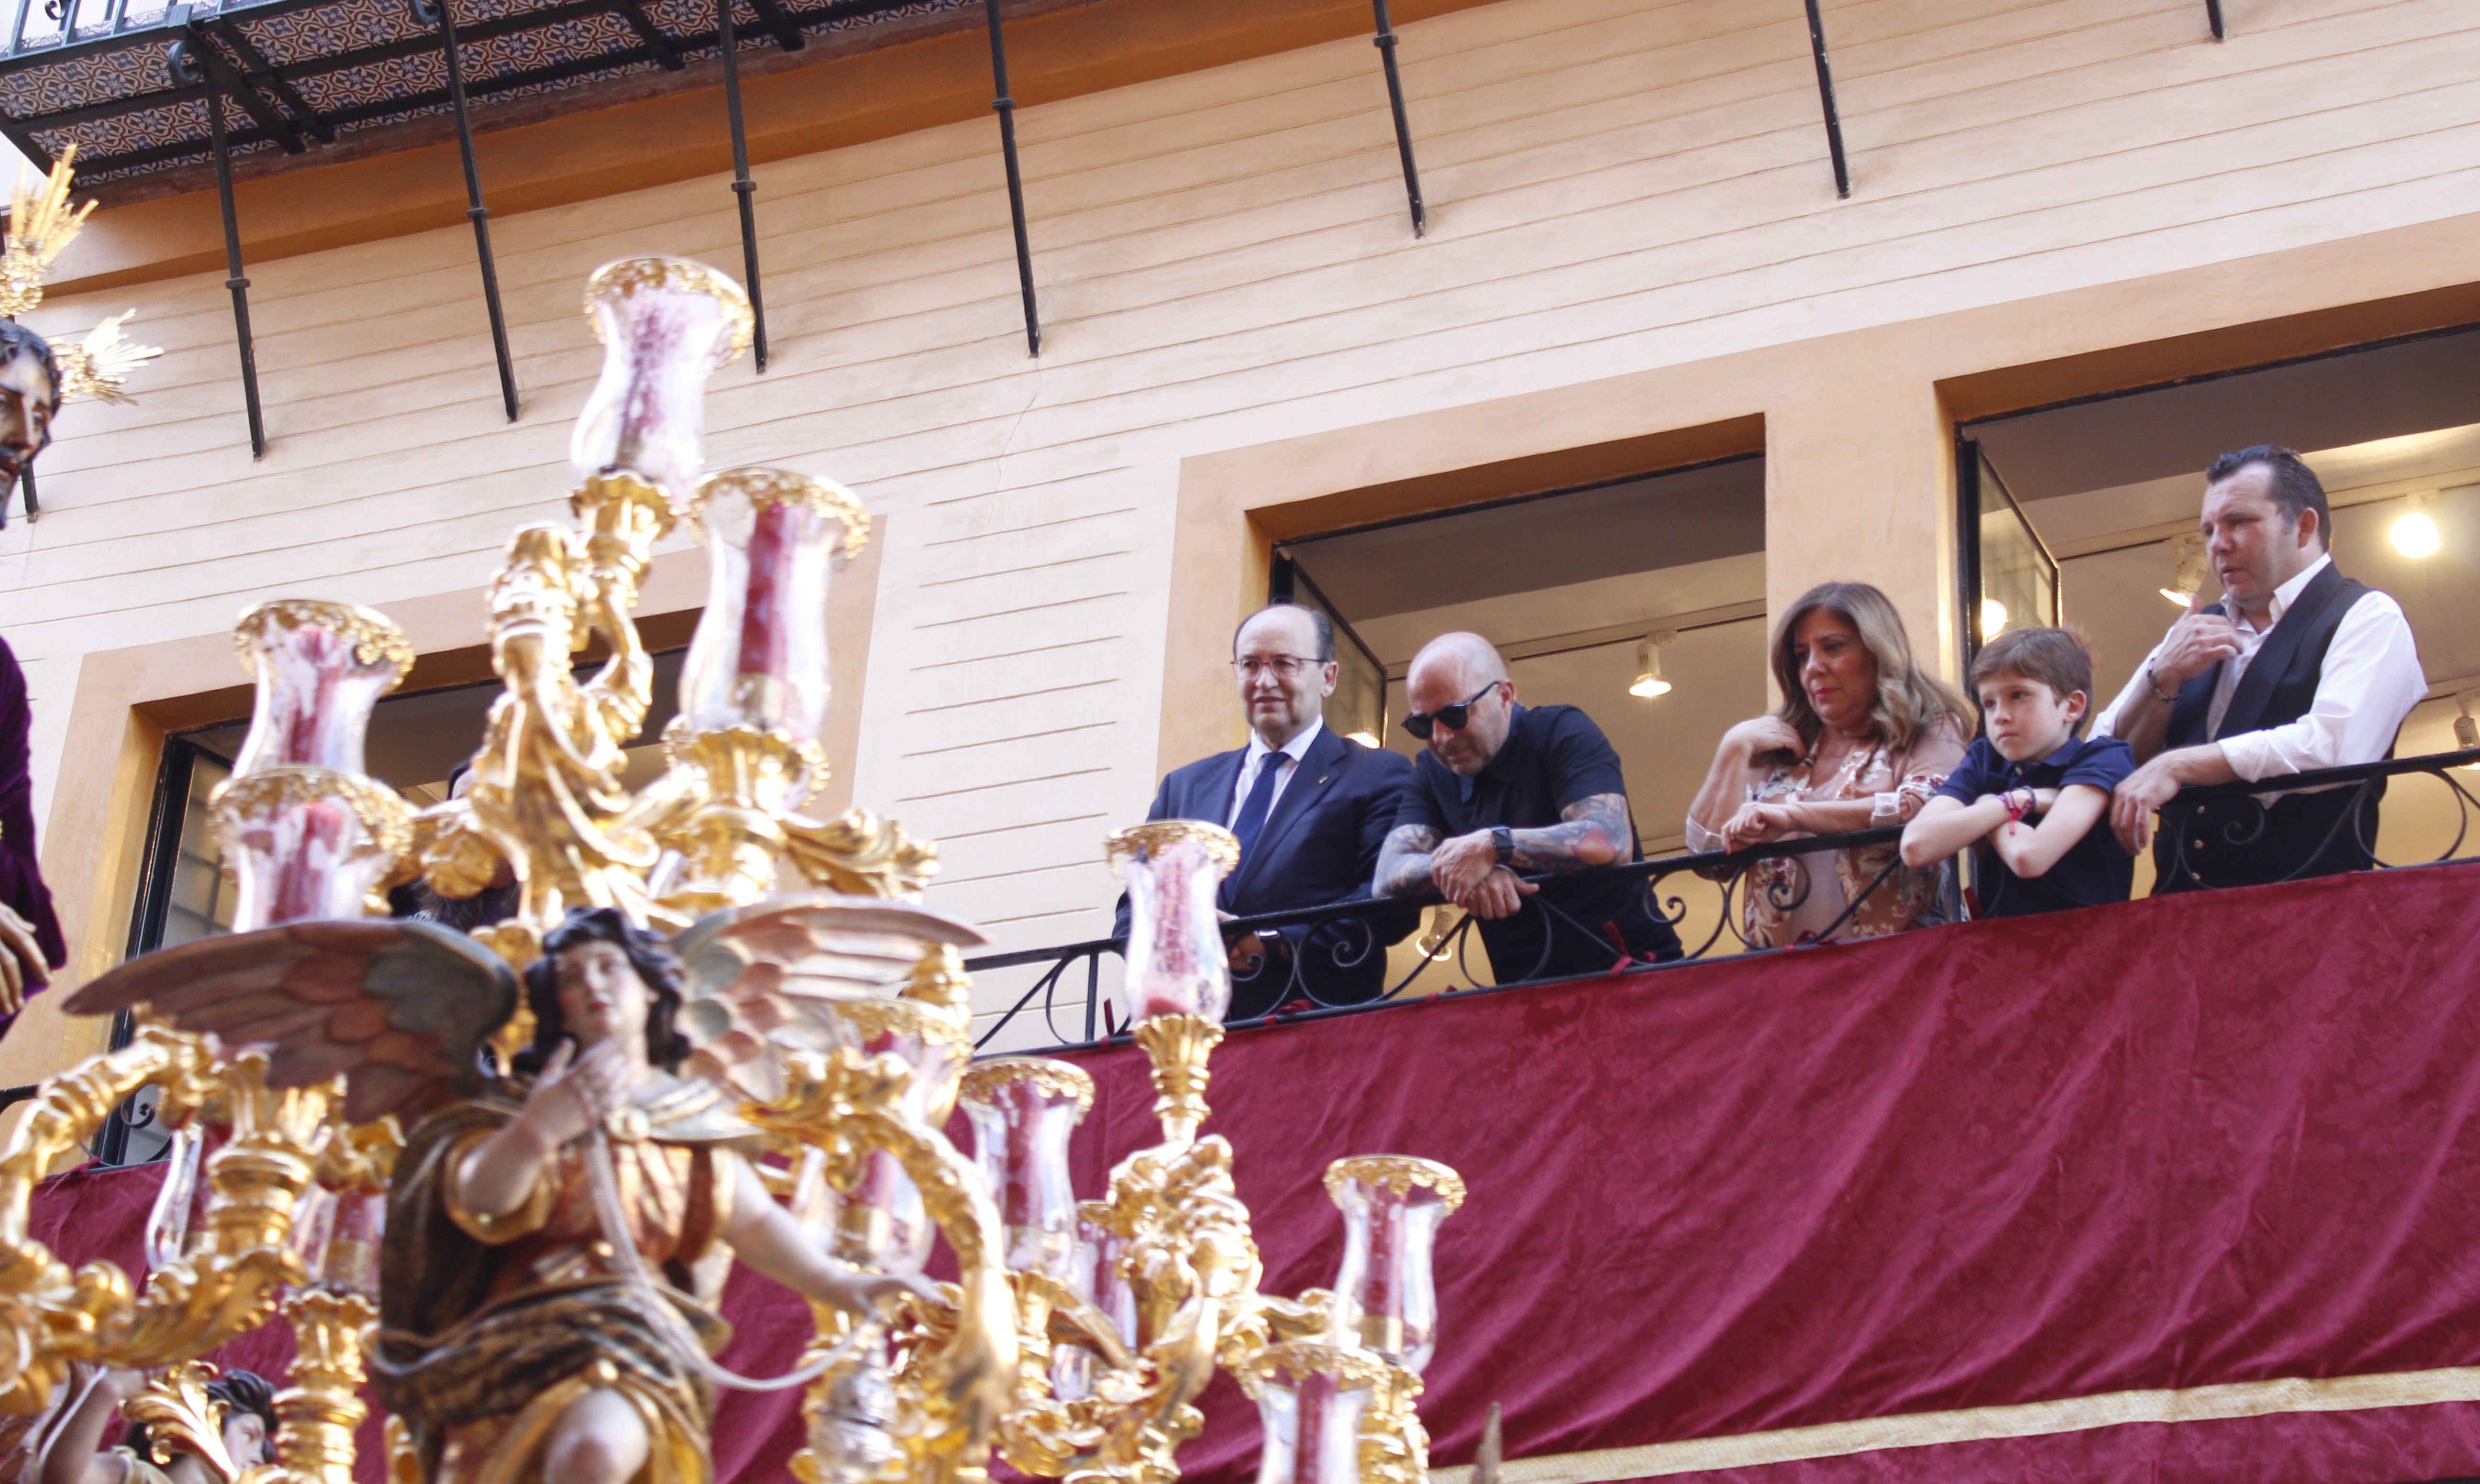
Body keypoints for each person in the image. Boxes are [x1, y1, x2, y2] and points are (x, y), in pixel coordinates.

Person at [370, 907, 926, 1484]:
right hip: (510, 1342)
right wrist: (540, 1130)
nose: (591, 985)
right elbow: (478, 1198)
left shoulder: (687, 1116)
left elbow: (754, 1222)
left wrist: (836, 1283)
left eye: (609, 968)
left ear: (652, 988)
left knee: (593, 1452)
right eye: (570, 977)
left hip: (630, 1336)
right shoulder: (518, 1107)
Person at [2096, 446, 2424, 890]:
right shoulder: (2194, 629)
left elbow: (2336, 744)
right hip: (2180, 922)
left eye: (2239, 522)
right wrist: (2162, 677)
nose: (2218, 544)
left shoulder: (2367, 615)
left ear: (2304, 526)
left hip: (2313, 914)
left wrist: (2178, 766)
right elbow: (2099, 758)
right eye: (2210, 529)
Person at [1120, 604, 1415, 1013]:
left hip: (1316, 1029)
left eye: (1284, 664)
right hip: (1195, 1036)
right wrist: (1188, 937)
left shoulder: (1376, 774)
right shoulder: (1185, 787)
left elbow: (1389, 905)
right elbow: (1134, 908)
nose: (1264, 680)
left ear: (1328, 678)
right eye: (1250, 665)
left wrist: (1271, 942)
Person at [1374, 632, 1679, 981]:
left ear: (1505, 696)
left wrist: (1493, 846)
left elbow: (1609, 840)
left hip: (1637, 975)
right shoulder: (1431, 773)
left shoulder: (1561, 730)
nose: (1440, 737)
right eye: (1422, 724)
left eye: (1455, 715)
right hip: (1525, 995)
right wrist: (1470, 866)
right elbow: (1387, 874)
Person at [1686, 582, 1970, 947]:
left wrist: (1797, 815)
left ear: (1879, 651)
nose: (1813, 668)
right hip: (1783, 986)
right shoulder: (1779, 746)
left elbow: (1933, 807)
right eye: (1802, 655)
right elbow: (1709, 861)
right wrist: (1734, 748)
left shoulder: (1927, 724)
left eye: (1833, 647)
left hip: (1904, 974)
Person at [1901, 627, 2135, 918]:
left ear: (2072, 706)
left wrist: (1988, 805)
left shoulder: (2103, 758)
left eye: (2018, 695)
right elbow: (1916, 846)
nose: (2000, 715)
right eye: (1989, 703)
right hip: (2000, 951)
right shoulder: (1985, 757)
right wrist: (2019, 801)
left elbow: (2029, 857)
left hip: (2089, 946)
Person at [37, 1363, 276, 1484]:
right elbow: (64, 1478)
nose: (258, 1459)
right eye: (248, 1436)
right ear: (207, 1419)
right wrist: (108, 1390)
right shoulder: (137, 1477)